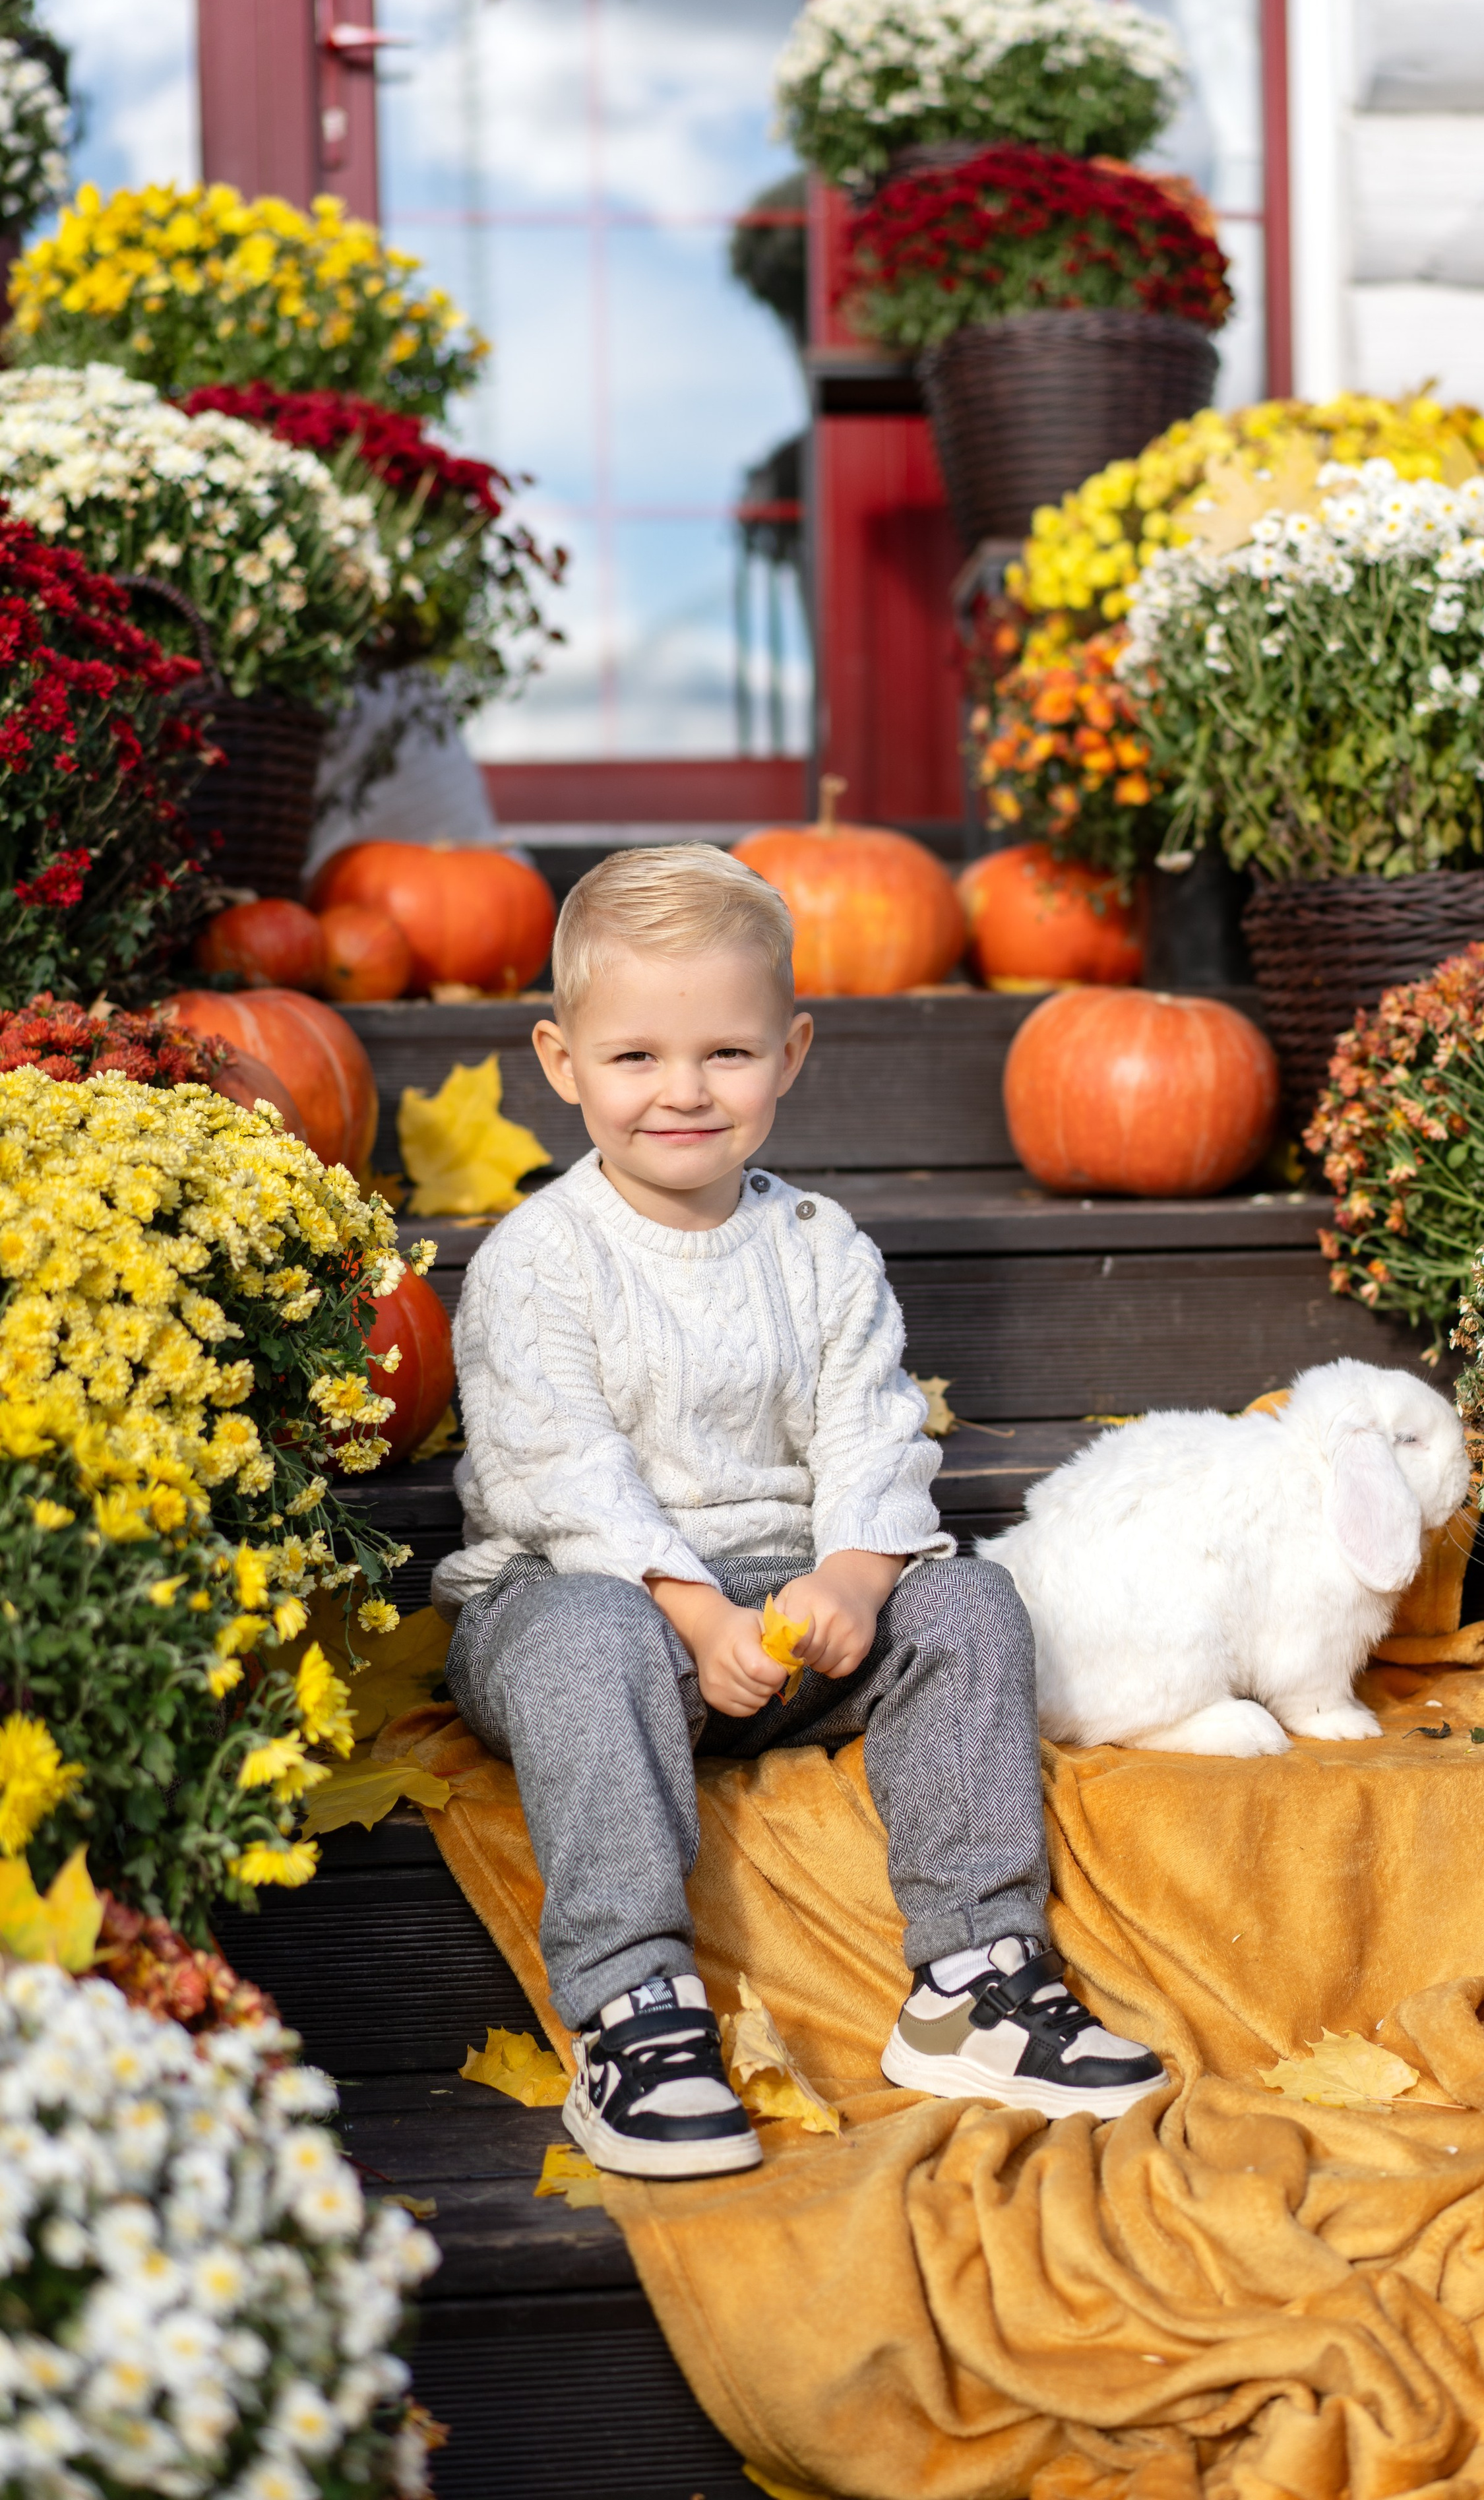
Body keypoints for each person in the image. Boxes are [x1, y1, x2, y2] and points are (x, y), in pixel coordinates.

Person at [432, 844, 1167, 2179]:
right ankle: (635, 2012)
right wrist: (689, 1608)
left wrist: (852, 1578)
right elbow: (562, 1472)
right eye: (635, 1057)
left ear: (792, 1052)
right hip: (584, 1603)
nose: (682, 1092)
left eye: (725, 1053)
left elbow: (869, 1429)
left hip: (784, 1609)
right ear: (559, 1060)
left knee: (967, 1601)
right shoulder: (540, 1259)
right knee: (585, 1639)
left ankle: (974, 1978)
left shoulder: (817, 1245)